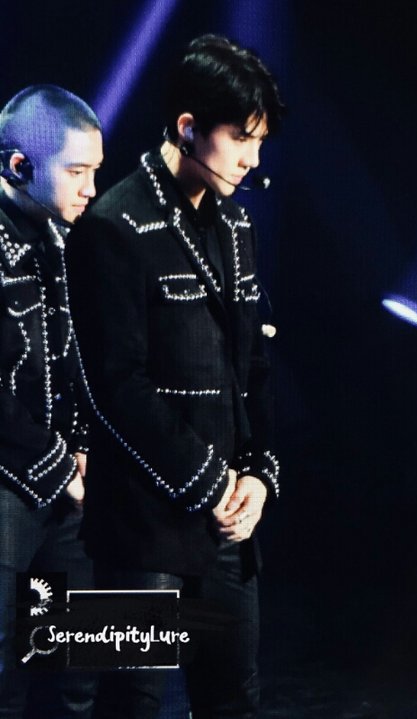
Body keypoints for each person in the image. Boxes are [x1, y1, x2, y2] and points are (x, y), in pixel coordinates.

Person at [65, 35, 284, 718]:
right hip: (138, 526)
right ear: (188, 127)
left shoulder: (238, 226)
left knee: (233, 701)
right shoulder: (111, 224)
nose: (251, 159)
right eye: (240, 138)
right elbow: (114, 387)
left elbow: (253, 369)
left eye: (259, 141)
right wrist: (212, 481)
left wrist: (257, 475)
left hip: (227, 530)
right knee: (127, 704)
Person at [0, 84, 103, 718]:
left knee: (78, 669)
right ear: (19, 165)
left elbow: (77, 355)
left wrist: (83, 444)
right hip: (9, 483)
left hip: (67, 486)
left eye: (96, 171)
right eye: (76, 172)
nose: (91, 189)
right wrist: (58, 463)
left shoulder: (64, 238)